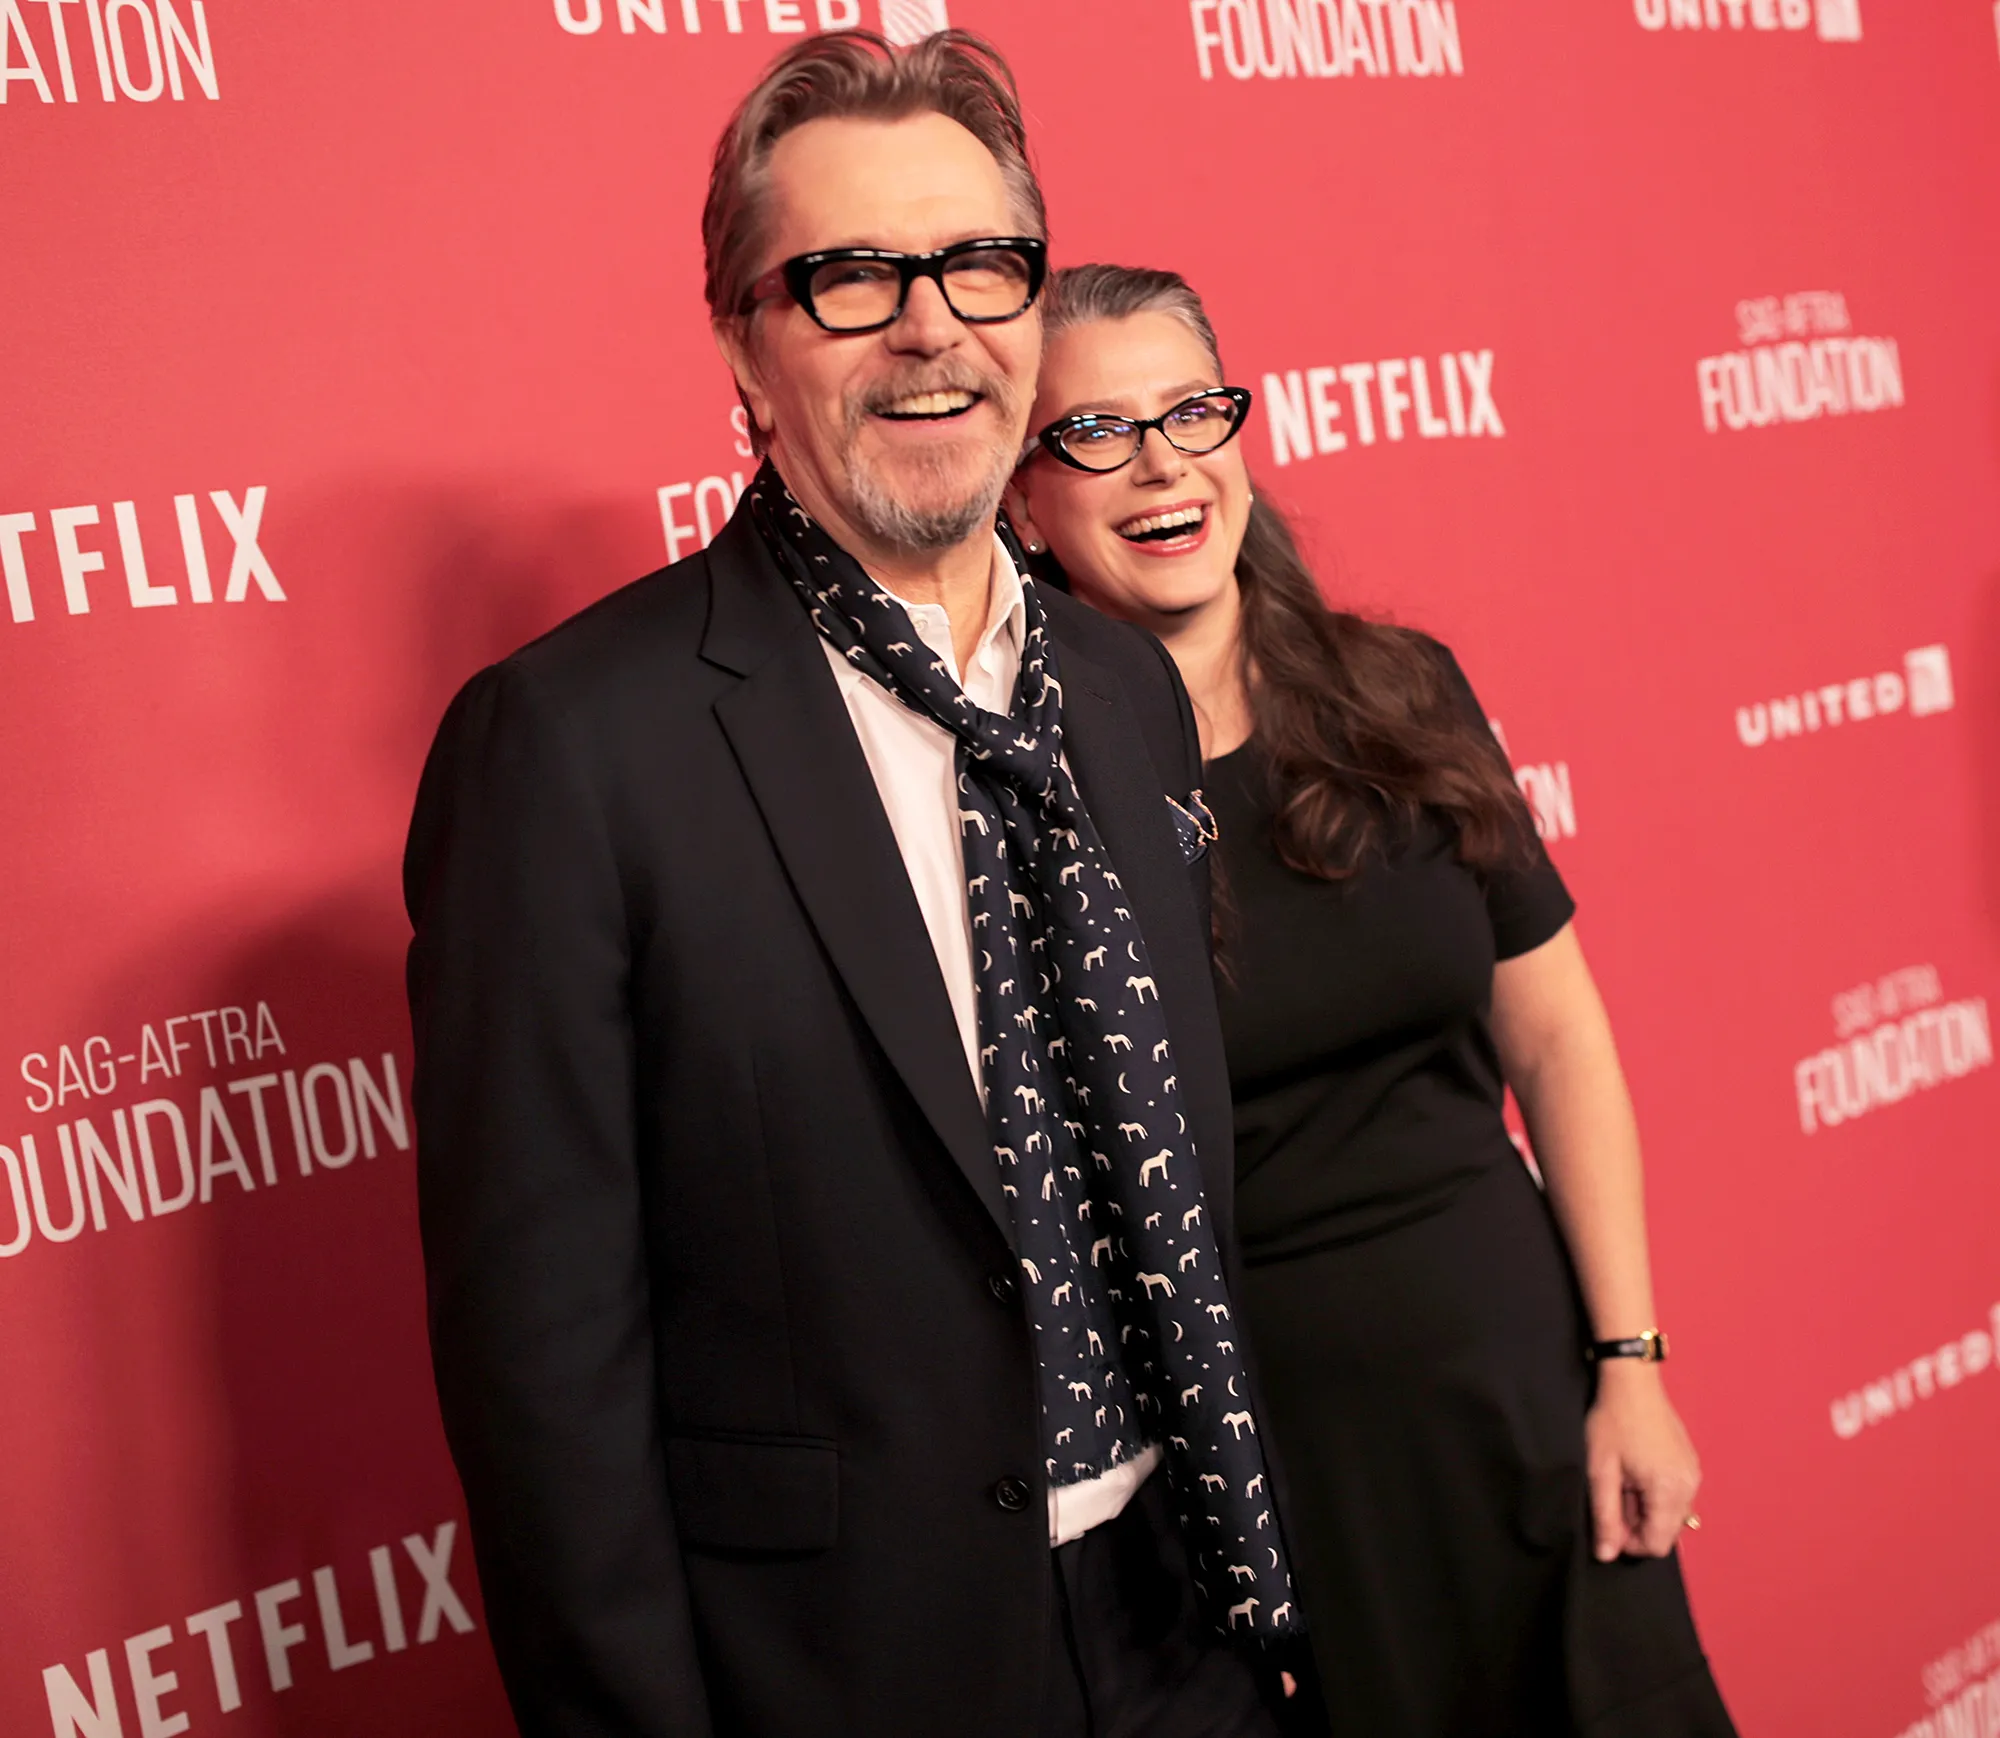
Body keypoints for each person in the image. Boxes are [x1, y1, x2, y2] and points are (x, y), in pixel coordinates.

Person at [405, 38, 1304, 1738]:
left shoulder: (1123, 690)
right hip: (848, 1675)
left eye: (979, 264)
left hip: (1195, 1621)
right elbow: (544, 1380)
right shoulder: (572, 747)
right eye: (849, 278)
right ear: (742, 345)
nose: (930, 328)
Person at [1004, 264, 1740, 1738]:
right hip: (1274, 1453)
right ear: (1024, 498)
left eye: (1192, 413)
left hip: (1524, 1389)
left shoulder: (1404, 693)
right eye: (1096, 432)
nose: (1161, 464)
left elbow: (1559, 1039)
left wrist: (1630, 1365)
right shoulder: (1029, 798)